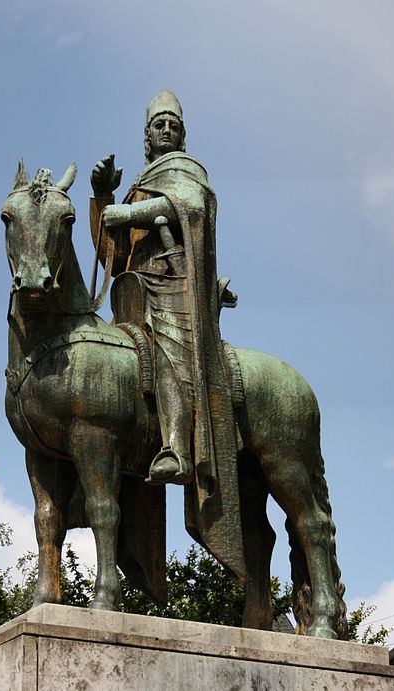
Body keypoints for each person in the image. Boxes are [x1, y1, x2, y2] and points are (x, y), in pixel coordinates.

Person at [89, 91, 237, 503]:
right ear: (147, 137)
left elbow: (189, 205)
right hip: (133, 290)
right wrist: (102, 197)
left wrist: (127, 213)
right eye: (159, 125)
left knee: (166, 349)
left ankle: (177, 448)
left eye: (174, 125)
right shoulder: (140, 185)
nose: (167, 130)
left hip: (173, 284)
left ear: (183, 135)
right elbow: (113, 256)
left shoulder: (185, 169)